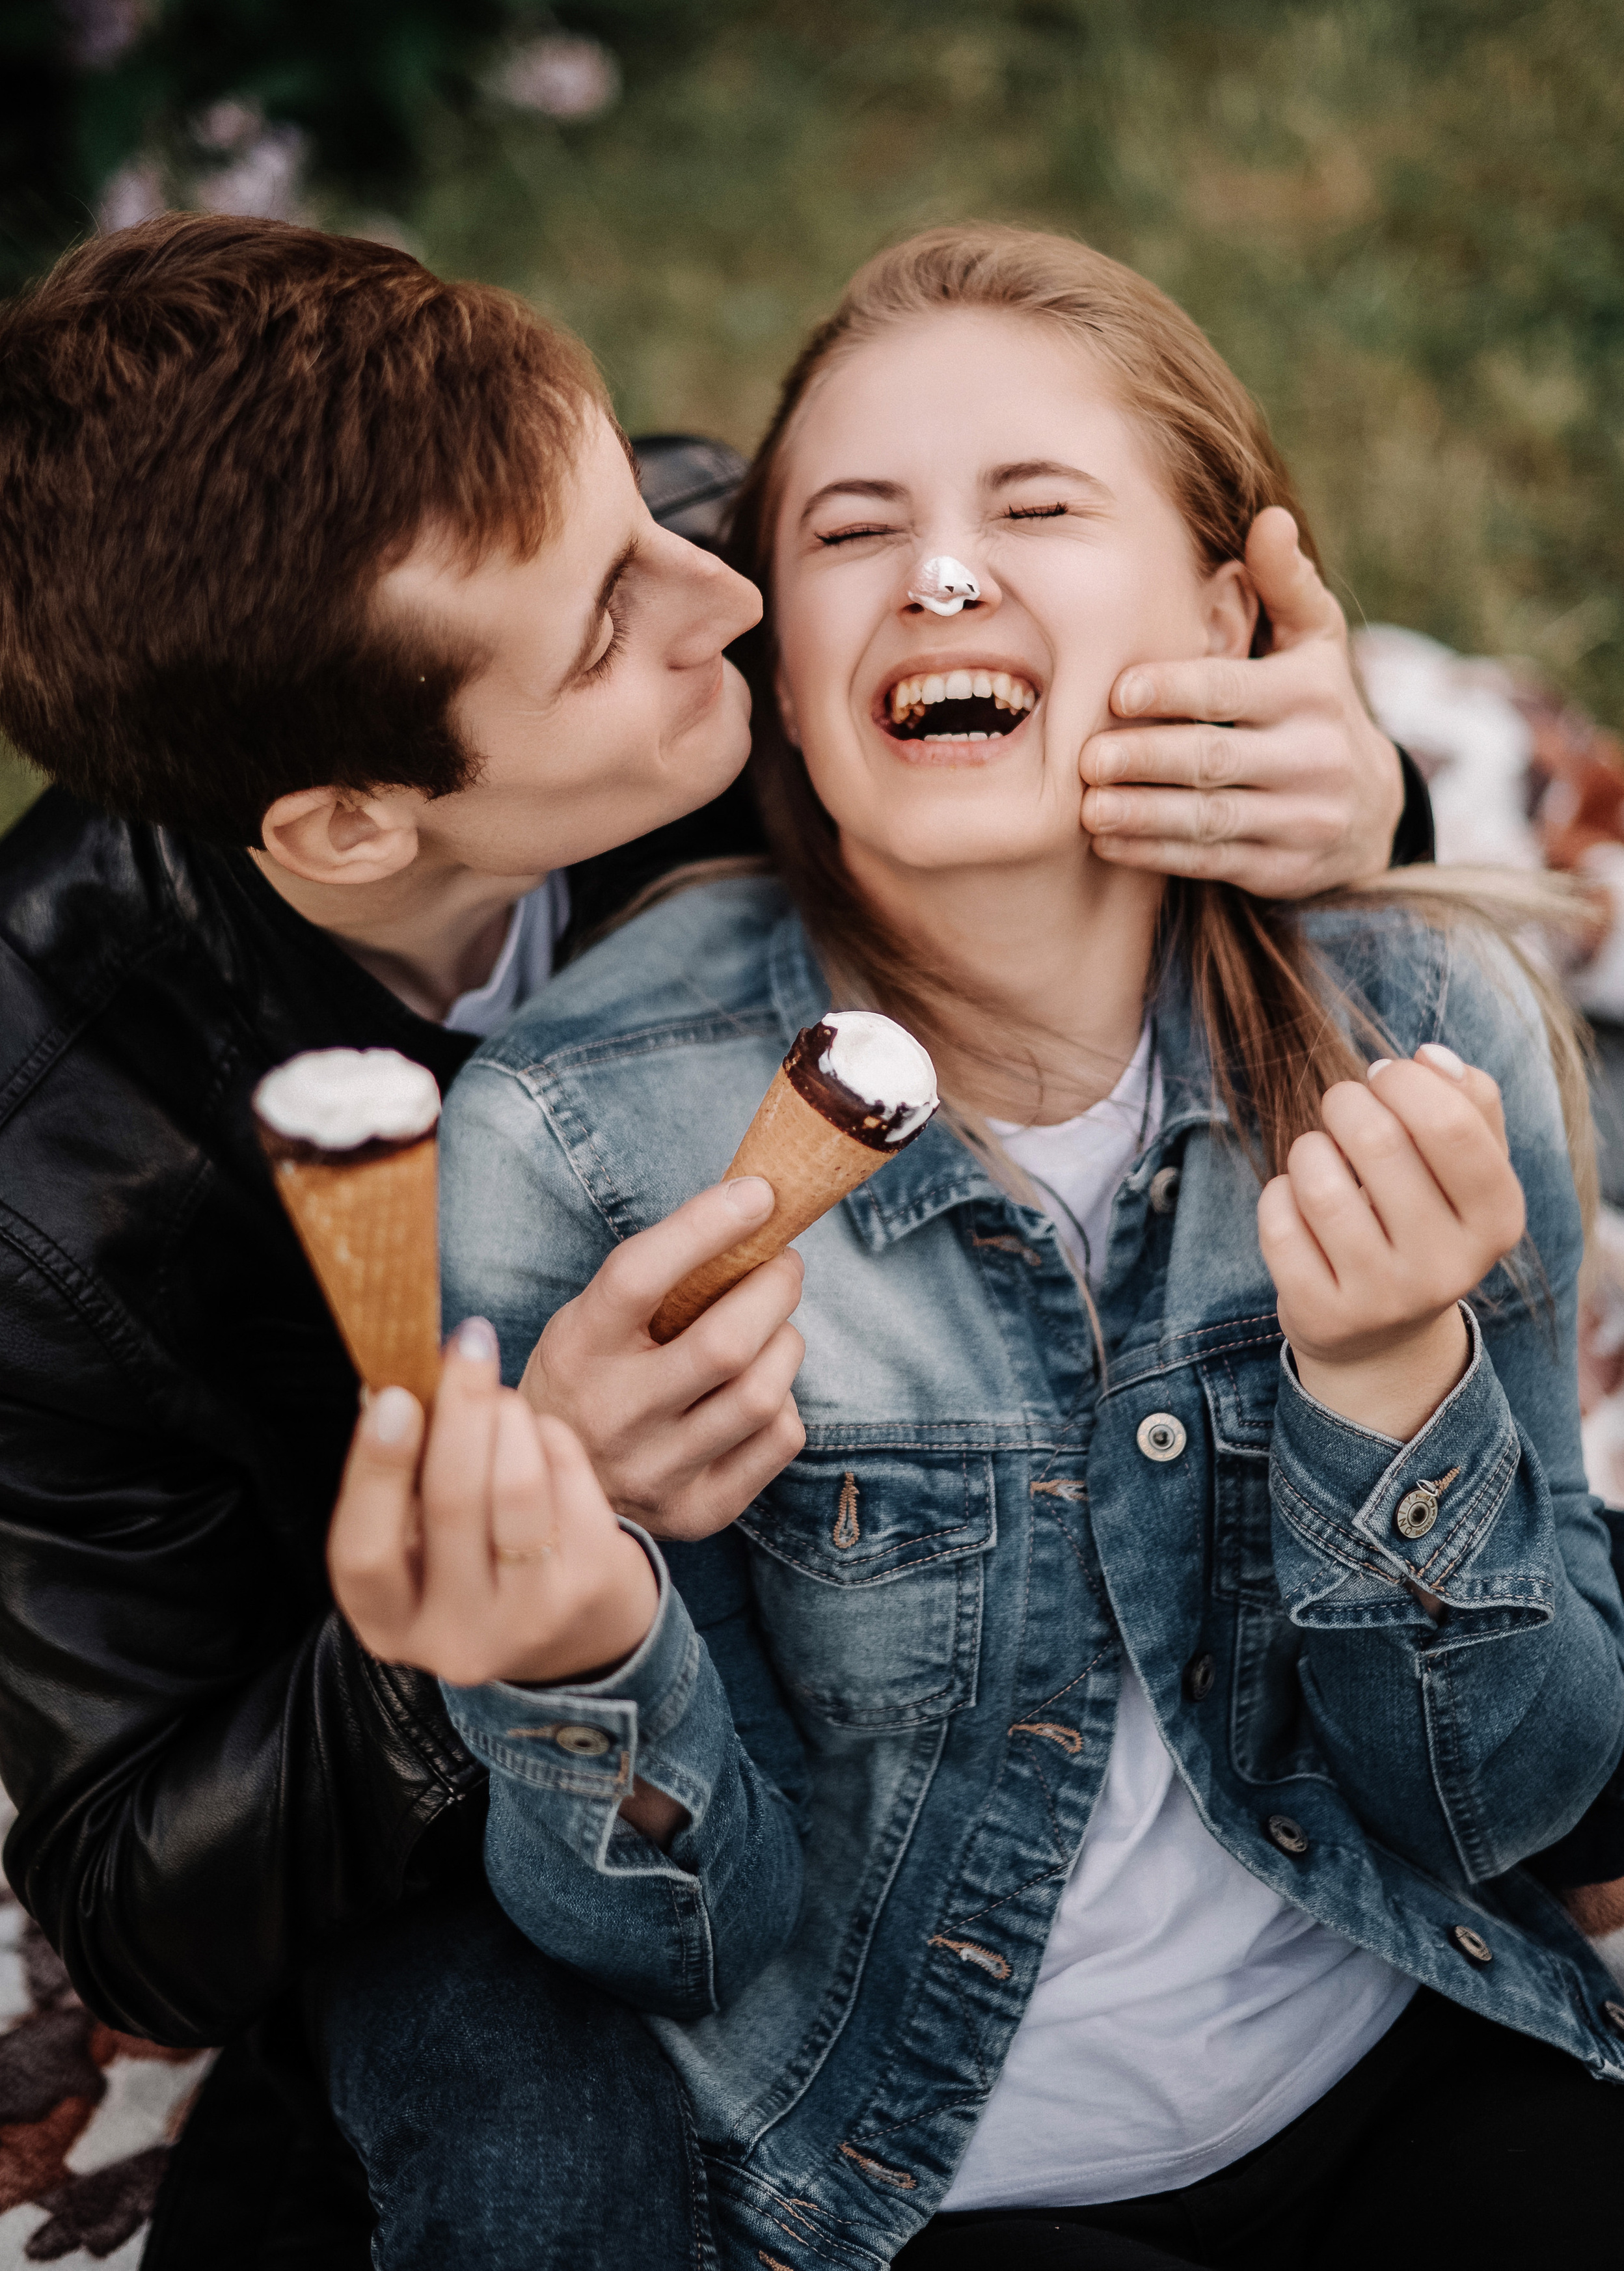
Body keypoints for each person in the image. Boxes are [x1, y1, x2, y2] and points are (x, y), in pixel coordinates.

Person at [0, 213, 1433, 2267]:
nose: (728, 590)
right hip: (510, 1820)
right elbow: (141, 1905)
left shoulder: (665, 593)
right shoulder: (34, 1199)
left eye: (643, 517)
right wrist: (493, 1588)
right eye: (603, 622)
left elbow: (1138, 807)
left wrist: (1353, 804)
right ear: (354, 825)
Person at [407, 224, 1624, 2270]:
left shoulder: (1420, 1023)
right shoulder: (583, 1135)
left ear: (1230, 616)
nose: (945, 579)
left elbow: (1510, 1801)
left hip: (1395, 2039)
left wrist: (1395, 1388)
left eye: (1039, 508)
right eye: (853, 529)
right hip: (925, 2176)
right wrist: (571, 1648)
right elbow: (675, 1937)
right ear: (779, 667)